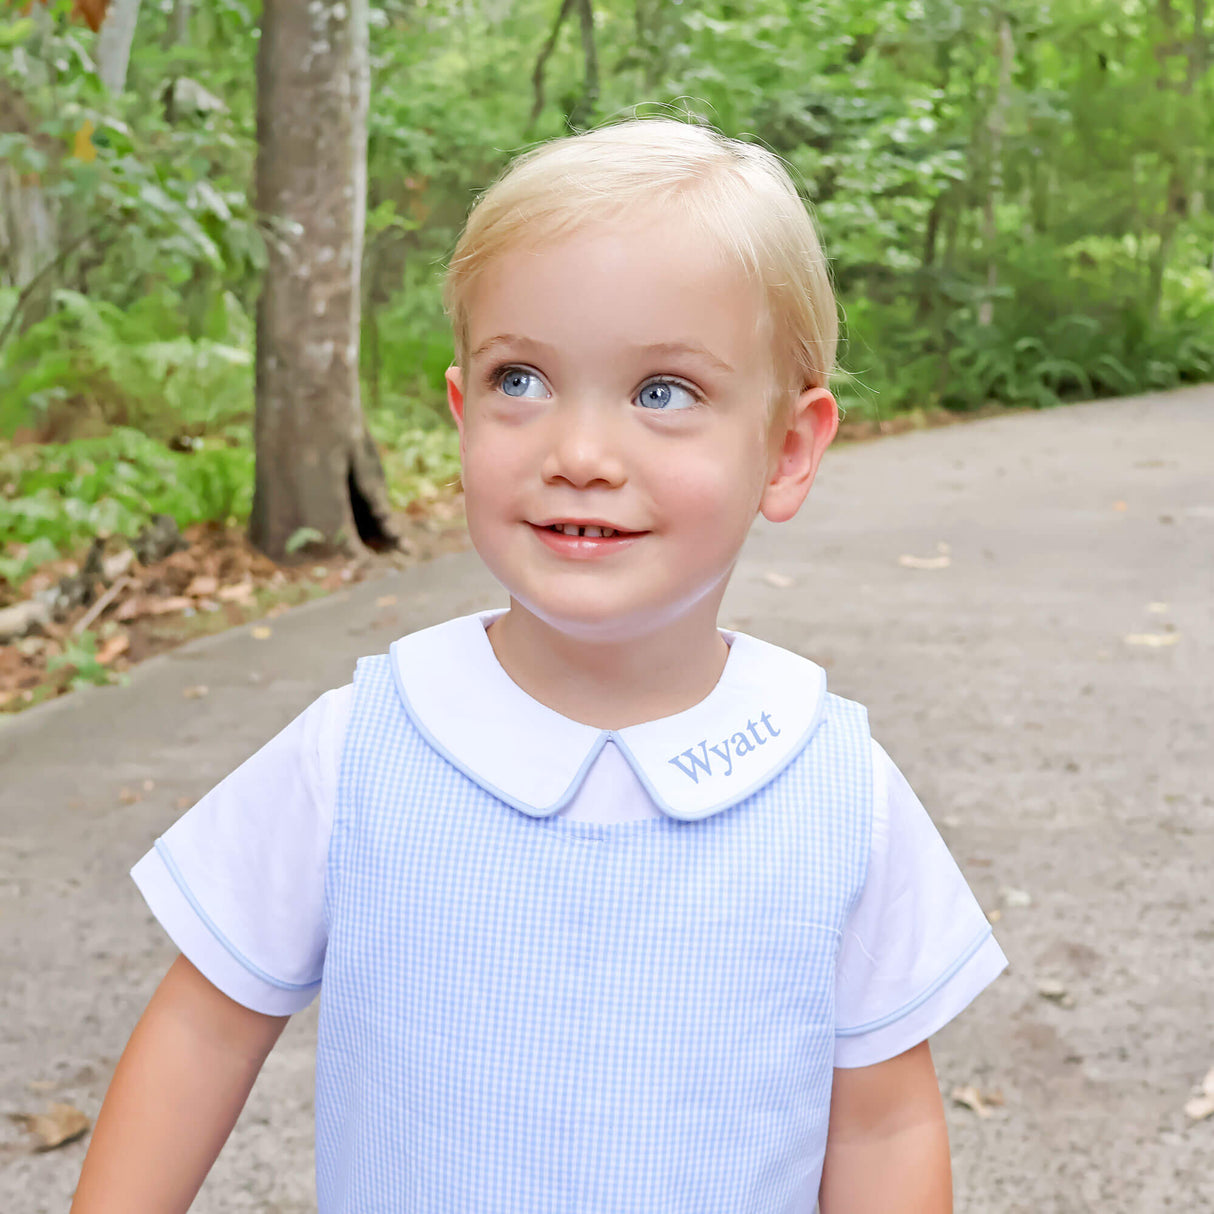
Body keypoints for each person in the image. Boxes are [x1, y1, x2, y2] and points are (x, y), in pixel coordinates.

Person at [72, 118, 1006, 1213]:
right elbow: (201, 1030)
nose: (579, 454)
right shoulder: (363, 748)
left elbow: (885, 1122)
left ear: (787, 449)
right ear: (462, 413)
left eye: (662, 392)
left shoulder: (834, 788)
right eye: (521, 379)